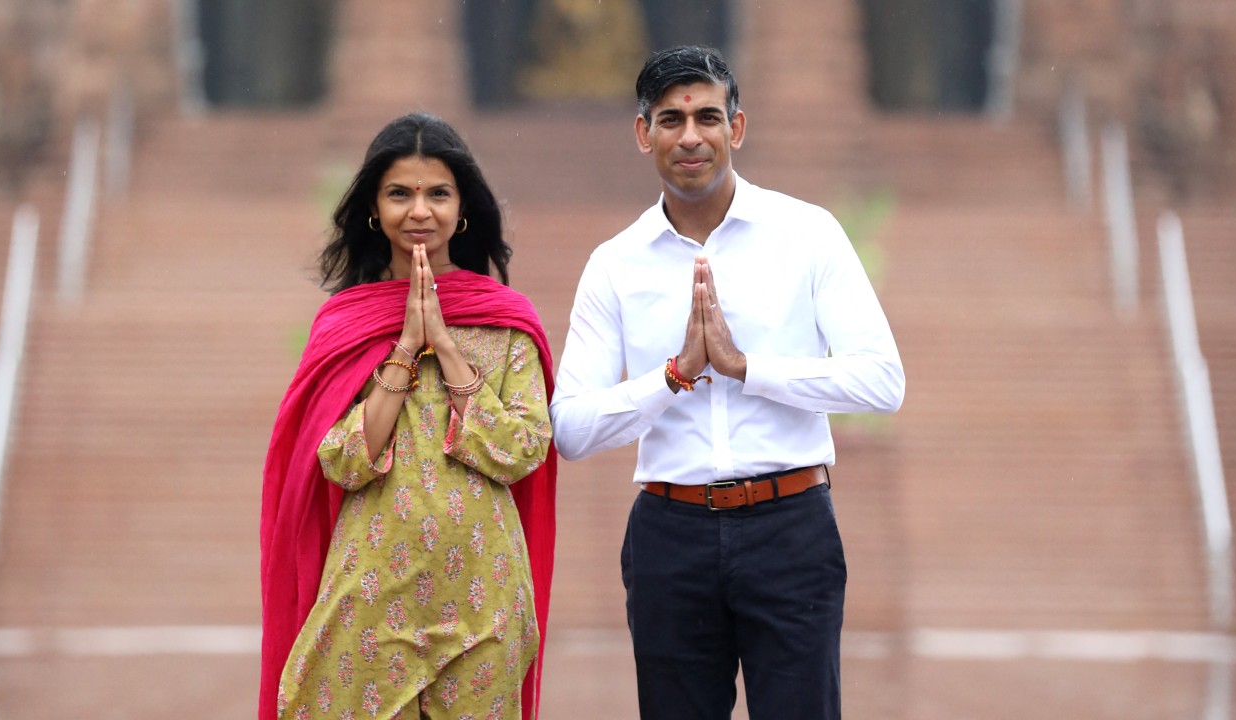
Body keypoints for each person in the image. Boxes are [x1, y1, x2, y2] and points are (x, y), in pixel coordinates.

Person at [549, 46, 905, 719]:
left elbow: (882, 381)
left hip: (790, 524)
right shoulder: (615, 265)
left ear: (736, 128)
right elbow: (569, 427)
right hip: (669, 530)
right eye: (671, 119)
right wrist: (673, 377)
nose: (691, 136)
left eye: (708, 117)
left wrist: (749, 370)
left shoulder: (808, 235)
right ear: (642, 133)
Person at [259, 113, 557, 720]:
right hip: (370, 594)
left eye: (437, 193)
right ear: (375, 207)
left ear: (462, 206)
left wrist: (445, 347)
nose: (419, 210)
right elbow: (341, 463)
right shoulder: (347, 323)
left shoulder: (504, 322)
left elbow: (524, 447)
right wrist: (402, 349)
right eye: (400, 193)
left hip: (484, 597)